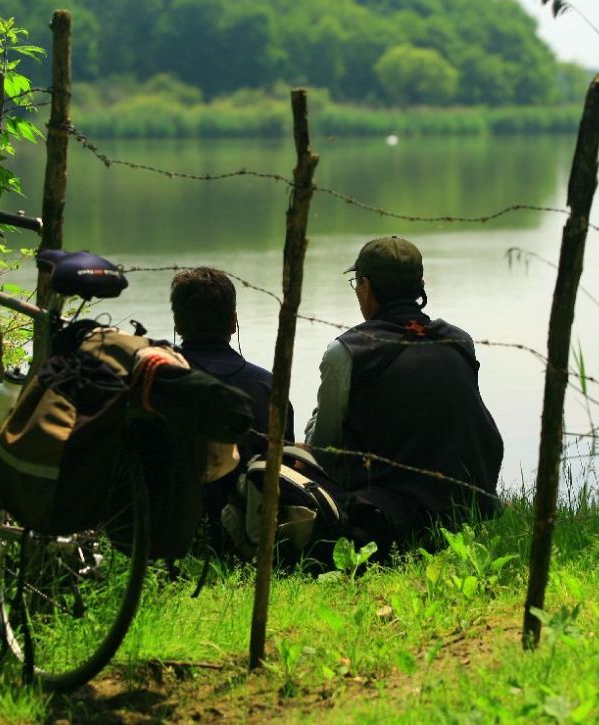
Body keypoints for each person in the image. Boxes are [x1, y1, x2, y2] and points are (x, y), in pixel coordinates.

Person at [304, 236, 503, 560]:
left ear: (366, 287)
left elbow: (325, 451)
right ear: (420, 284)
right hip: (467, 508)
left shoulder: (348, 350)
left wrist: (310, 434)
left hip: (388, 520)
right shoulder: (458, 341)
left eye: (356, 284)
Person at [169, 267, 295, 537]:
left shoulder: (158, 382)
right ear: (233, 322)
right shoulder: (268, 385)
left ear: (177, 324)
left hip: (170, 525)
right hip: (250, 529)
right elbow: (287, 462)